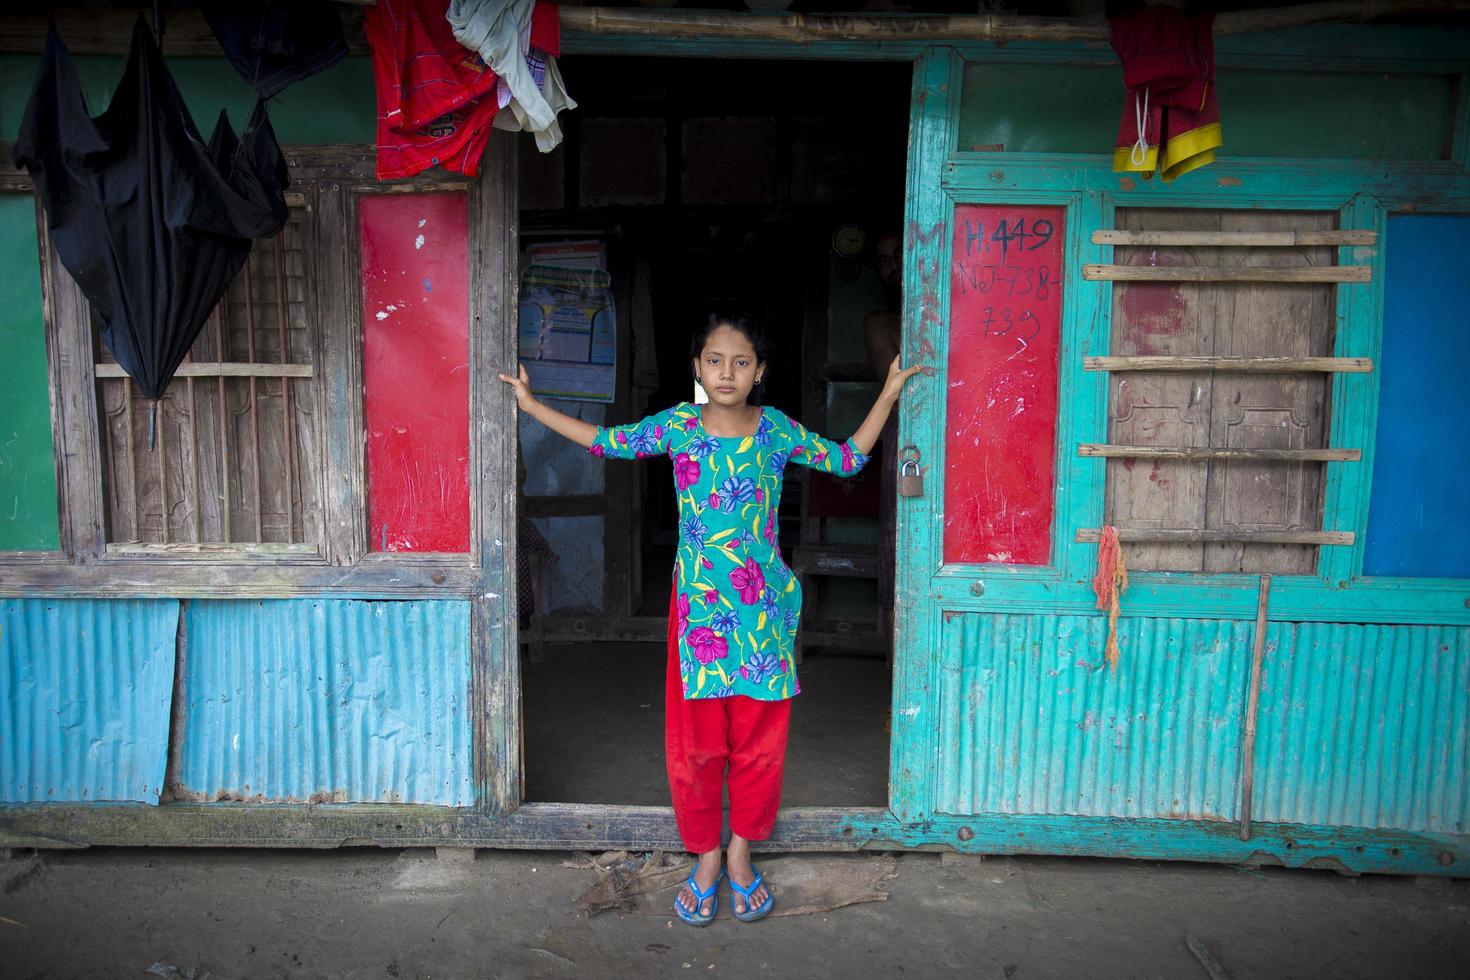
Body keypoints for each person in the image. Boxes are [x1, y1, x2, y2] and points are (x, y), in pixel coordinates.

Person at [501, 312, 923, 925]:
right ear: (696, 367)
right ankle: (704, 855)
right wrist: (532, 407)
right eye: (715, 360)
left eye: (742, 361)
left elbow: (847, 459)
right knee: (695, 749)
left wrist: (886, 394)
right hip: (697, 610)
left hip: (764, 613)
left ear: (760, 371)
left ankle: (741, 855)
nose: (728, 372)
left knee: (759, 745)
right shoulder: (676, 426)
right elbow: (606, 441)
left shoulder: (775, 430)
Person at [862, 232, 903, 651]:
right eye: (884, 261)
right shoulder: (881, 321)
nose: (892, 267)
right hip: (904, 436)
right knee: (898, 548)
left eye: (899, 256)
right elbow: (890, 379)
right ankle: (896, 674)